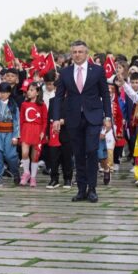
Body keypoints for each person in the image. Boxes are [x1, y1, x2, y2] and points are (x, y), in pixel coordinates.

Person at [50, 40, 112, 203]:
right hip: (73, 117)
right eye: (74, 52)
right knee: (78, 153)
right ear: (72, 54)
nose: (77, 54)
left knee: (91, 151)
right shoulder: (65, 72)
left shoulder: (97, 71)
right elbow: (58, 97)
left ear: (86, 53)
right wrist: (56, 118)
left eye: (80, 52)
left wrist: (108, 117)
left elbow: (105, 94)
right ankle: (81, 189)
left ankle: (92, 188)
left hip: (93, 116)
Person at [19, 83, 47, 187]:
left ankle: (33, 177)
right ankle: (26, 172)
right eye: (28, 90)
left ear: (38, 92)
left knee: (35, 156)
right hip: (26, 129)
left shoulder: (42, 105)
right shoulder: (24, 104)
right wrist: (20, 132)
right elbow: (21, 119)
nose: (29, 92)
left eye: (31, 90)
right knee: (24, 153)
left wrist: (43, 132)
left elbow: (45, 120)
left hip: (37, 130)